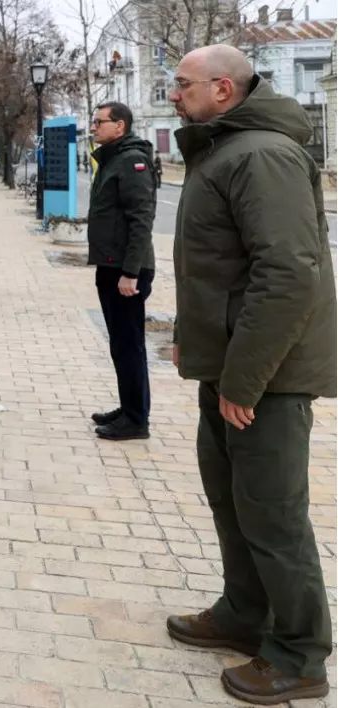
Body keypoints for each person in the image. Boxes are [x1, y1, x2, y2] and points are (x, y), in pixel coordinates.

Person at [165, 44, 335, 705]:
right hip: (233, 365)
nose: (173, 93)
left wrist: (244, 379)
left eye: (182, 84)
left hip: (266, 374)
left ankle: (298, 653)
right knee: (232, 499)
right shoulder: (225, 150)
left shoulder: (260, 154)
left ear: (223, 92)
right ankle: (245, 613)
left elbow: (288, 274)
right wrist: (193, 339)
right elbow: (214, 267)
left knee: (272, 512)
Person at [86, 101, 156, 441]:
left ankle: (136, 420)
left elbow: (141, 220)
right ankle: (129, 407)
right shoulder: (114, 158)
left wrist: (131, 272)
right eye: (94, 121)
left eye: (100, 122)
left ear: (120, 126)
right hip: (112, 266)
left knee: (129, 344)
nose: (94, 127)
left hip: (126, 271)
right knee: (120, 342)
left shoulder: (132, 161)